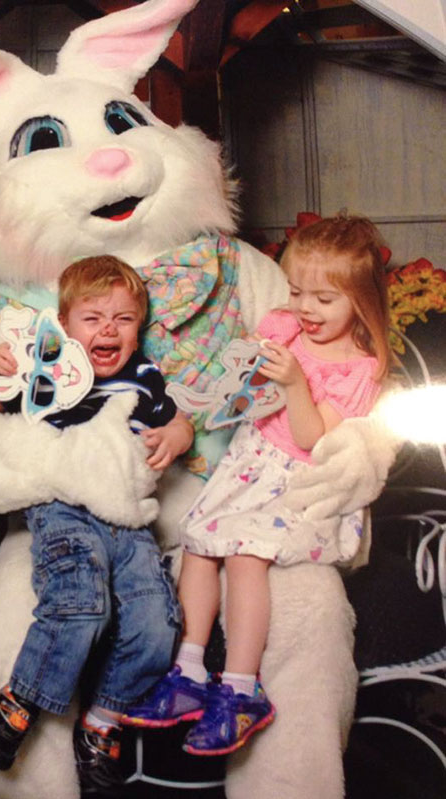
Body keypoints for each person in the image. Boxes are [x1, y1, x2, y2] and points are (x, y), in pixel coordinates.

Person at [123, 215, 392, 756]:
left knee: (245, 555)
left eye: (324, 299)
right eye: (296, 292)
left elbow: (314, 439)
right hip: (247, 465)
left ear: (360, 301)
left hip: (295, 485)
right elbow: (236, 376)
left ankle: (242, 689)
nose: (305, 310)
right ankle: (190, 671)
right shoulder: (283, 325)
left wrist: (294, 381)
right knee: (200, 544)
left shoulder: (358, 370)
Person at [0, 255, 194, 787]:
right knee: (80, 606)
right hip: (64, 508)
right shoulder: (44, 367)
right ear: (65, 326)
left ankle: (103, 719)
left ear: (139, 328)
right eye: (93, 318)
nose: (108, 329)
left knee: (158, 623)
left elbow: (177, 418)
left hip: (130, 519)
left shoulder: (144, 375)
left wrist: (179, 435)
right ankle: (17, 701)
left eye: (123, 319)